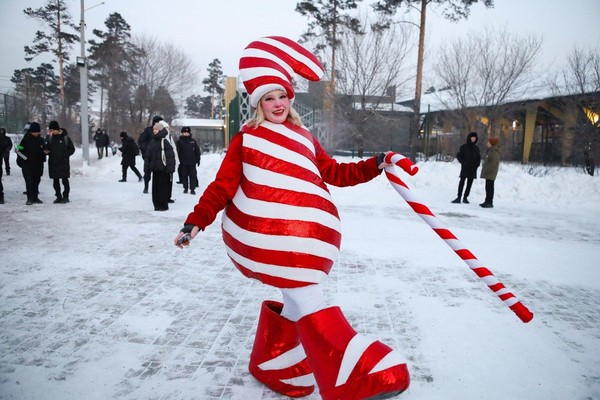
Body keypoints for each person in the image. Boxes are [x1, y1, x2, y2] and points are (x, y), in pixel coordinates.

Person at [174, 36, 410, 400]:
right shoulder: (248, 138)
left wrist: (375, 163)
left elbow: (335, 172)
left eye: (282, 95)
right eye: (268, 98)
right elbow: (222, 186)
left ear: (290, 97)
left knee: (299, 291)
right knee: (307, 289)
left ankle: (276, 360)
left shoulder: (304, 137)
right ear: (258, 104)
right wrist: (195, 221)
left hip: (304, 240)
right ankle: (348, 373)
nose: (277, 104)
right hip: (269, 238)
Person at [144, 120, 175, 211]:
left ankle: (163, 205)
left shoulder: (164, 142)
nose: (154, 131)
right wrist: (147, 168)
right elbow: (148, 156)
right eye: (154, 129)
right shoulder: (152, 142)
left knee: (162, 188)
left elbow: (170, 156)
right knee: (155, 188)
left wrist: (170, 169)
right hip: (155, 169)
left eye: (156, 129)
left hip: (163, 169)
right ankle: (156, 204)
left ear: (160, 130)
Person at [16, 122, 46, 205]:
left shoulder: (41, 140)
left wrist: (45, 153)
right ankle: (30, 198)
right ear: (31, 131)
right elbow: (18, 149)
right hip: (27, 165)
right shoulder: (25, 139)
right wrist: (25, 158)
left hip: (38, 165)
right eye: (34, 132)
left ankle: (35, 197)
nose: (36, 134)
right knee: (29, 182)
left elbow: (44, 149)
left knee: (36, 182)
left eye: (37, 132)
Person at [46, 120, 75, 204]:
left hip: (63, 163)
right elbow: (47, 147)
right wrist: (46, 150)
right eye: (50, 131)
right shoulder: (50, 138)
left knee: (64, 180)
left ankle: (66, 196)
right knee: (55, 181)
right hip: (53, 163)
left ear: (57, 129)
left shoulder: (65, 138)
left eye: (52, 130)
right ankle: (58, 196)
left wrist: (65, 155)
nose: (52, 132)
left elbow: (72, 149)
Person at [451, 131, 481, 204]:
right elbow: (459, 155)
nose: (473, 139)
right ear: (469, 138)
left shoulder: (476, 148)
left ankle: (465, 197)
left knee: (469, 183)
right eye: (472, 137)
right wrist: (463, 162)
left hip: (473, 168)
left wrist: (477, 165)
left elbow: (478, 158)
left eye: (475, 138)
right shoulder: (464, 147)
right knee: (462, 182)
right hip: (465, 167)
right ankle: (459, 197)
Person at [139, 115, 163, 194]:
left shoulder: (163, 131)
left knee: (159, 173)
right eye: (157, 122)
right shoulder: (148, 130)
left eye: (160, 122)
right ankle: (146, 187)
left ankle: (158, 189)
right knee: (147, 172)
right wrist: (145, 150)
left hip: (160, 156)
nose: (158, 124)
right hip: (149, 155)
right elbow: (141, 140)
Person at [176, 126, 200, 195]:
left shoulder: (193, 141)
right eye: (184, 133)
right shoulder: (179, 142)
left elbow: (197, 151)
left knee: (192, 175)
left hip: (192, 162)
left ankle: (192, 189)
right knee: (184, 176)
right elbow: (177, 152)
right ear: (182, 133)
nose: (186, 134)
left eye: (187, 133)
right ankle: (185, 188)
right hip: (183, 162)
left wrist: (198, 159)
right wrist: (178, 161)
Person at [480, 136, 501, 208]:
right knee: (488, 187)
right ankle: (487, 201)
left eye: (488, 142)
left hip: (490, 173)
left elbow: (493, 163)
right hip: (489, 173)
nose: (487, 143)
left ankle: (489, 202)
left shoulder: (494, 152)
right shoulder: (491, 151)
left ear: (492, 143)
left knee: (490, 188)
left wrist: (486, 170)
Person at [0, 128, 10, 204]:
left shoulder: (7, 138)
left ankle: (8, 170)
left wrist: (8, 150)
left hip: (5, 153)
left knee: (7, 162)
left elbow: (11, 145)